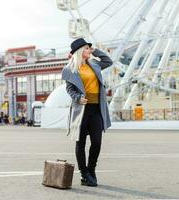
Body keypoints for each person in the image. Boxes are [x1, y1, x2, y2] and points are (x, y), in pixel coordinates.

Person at [62, 38, 113, 187]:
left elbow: (108, 61)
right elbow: (69, 89)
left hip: (97, 108)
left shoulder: (95, 65)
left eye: (89, 48)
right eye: (86, 48)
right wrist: (78, 98)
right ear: (79, 51)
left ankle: (91, 170)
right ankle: (84, 174)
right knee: (81, 142)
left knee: (97, 142)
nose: (88, 50)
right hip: (82, 109)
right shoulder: (70, 69)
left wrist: (95, 50)